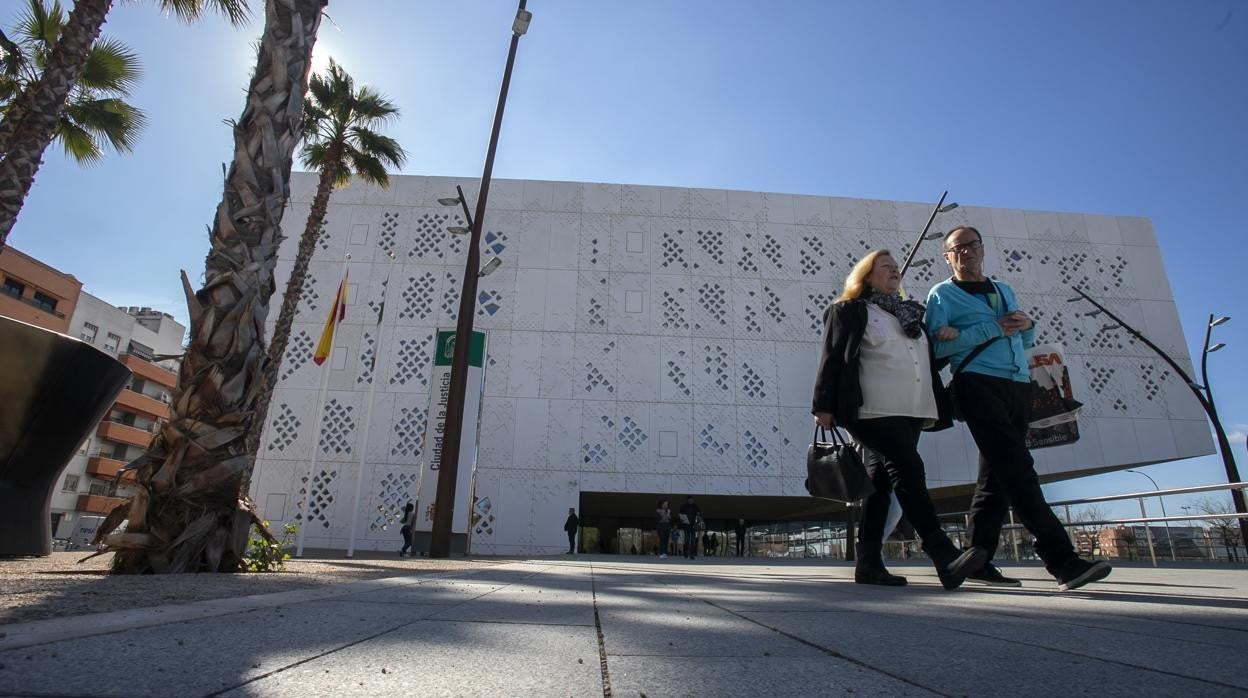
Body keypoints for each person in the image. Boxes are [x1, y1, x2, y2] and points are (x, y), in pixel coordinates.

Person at [926, 226, 1112, 591]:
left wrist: (1028, 326)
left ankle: (977, 557)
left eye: (971, 245)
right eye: (957, 248)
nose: (966, 251)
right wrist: (991, 329)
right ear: (947, 256)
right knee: (1018, 468)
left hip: (1017, 385)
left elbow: (1023, 340)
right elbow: (937, 350)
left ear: (983, 248)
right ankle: (1062, 561)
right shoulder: (942, 295)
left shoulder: (1003, 289)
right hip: (975, 383)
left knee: (995, 478)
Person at [813, 249, 987, 589]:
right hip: (871, 409)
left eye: (896, 268)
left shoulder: (909, 315)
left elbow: (921, 362)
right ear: (866, 275)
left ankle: (868, 565)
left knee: (881, 486)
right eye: (886, 267)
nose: (895, 272)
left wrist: (947, 341)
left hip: (913, 409)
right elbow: (831, 357)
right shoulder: (848, 311)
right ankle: (944, 555)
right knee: (908, 469)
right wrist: (823, 404)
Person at [678, 495, 702, 559]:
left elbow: (699, 514)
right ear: (687, 500)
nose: (690, 501)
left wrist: (698, 514)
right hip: (686, 525)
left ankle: (692, 554)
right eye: (689, 500)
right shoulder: (684, 506)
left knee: (693, 540)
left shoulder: (695, 506)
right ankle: (686, 553)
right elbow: (680, 515)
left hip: (694, 525)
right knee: (687, 540)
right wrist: (682, 519)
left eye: (691, 500)